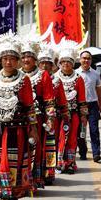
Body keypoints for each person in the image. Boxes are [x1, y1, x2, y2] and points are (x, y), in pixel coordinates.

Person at [0, 29, 37, 200]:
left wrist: (33, 128)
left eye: (12, 58)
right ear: (0, 60)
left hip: (17, 129)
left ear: (17, 60)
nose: (8, 61)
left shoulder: (24, 80)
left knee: (14, 161)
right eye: (5, 58)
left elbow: (29, 105)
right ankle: (4, 194)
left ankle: (13, 194)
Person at [20, 25, 57, 190]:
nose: (26, 60)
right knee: (21, 151)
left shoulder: (43, 76)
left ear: (35, 59)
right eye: (23, 57)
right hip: (19, 120)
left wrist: (50, 119)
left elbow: (49, 99)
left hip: (39, 119)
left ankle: (35, 179)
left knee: (37, 148)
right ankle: (21, 182)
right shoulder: (16, 75)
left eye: (29, 57)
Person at [52, 39, 89, 174]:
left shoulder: (78, 78)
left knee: (72, 138)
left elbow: (82, 99)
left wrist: (83, 116)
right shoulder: (54, 78)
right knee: (57, 137)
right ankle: (58, 162)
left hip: (73, 114)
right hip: (57, 114)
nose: (66, 64)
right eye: (63, 62)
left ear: (73, 63)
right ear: (59, 63)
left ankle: (69, 163)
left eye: (68, 62)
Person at [38, 43, 67, 184]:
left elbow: (62, 100)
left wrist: (65, 116)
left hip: (51, 117)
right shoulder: (32, 78)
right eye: (42, 63)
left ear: (52, 65)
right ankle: (36, 174)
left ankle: (49, 173)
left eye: (47, 63)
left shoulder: (56, 81)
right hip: (35, 117)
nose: (44, 66)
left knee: (50, 145)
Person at [77, 45, 101, 163]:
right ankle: (83, 152)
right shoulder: (76, 74)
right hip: (79, 105)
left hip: (92, 105)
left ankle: (96, 153)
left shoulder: (95, 74)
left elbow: (98, 91)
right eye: (84, 58)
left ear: (91, 61)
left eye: (88, 58)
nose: (86, 60)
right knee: (80, 131)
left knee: (94, 130)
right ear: (80, 59)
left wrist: (100, 105)